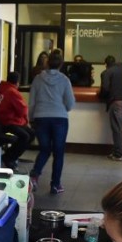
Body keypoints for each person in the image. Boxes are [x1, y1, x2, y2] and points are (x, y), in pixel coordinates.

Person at [28, 49, 74, 194]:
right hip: (60, 118)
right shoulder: (65, 80)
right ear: (61, 64)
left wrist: (31, 118)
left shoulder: (37, 79)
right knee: (58, 152)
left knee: (45, 149)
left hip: (41, 118)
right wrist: (61, 107)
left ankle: (34, 177)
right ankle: (55, 184)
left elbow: (32, 101)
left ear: (47, 63)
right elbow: (70, 104)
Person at [0, 71, 34, 169]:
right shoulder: (12, 92)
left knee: (29, 134)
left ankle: (9, 156)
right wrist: (26, 122)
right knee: (26, 136)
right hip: (8, 122)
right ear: (17, 82)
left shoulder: (1, 88)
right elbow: (23, 109)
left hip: (1, 121)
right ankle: (9, 157)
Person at [99, 55, 122, 161]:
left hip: (116, 101)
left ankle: (118, 154)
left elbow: (105, 88)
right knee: (120, 128)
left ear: (106, 64)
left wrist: (102, 97)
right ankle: (116, 151)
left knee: (117, 129)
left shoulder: (106, 72)